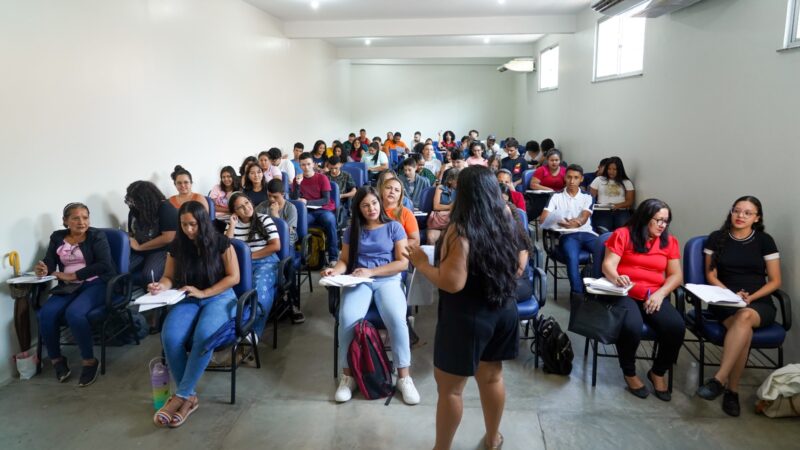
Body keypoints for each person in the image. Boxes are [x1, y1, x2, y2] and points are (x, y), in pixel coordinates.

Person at [405, 166, 525, 450]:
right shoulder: (508, 215)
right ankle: (493, 438)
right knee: (492, 376)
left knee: (450, 390)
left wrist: (422, 263)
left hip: (467, 316)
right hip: (503, 308)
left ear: (464, 193)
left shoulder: (460, 228)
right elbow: (520, 264)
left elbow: (452, 282)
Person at [322, 187, 420, 405]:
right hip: (359, 280)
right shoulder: (352, 230)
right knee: (347, 319)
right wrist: (334, 270)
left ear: (380, 203)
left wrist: (372, 271)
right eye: (365, 205)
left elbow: (402, 263)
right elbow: (345, 261)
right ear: (359, 208)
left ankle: (404, 377)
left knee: (397, 319)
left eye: (374, 203)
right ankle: (348, 376)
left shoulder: (394, 227)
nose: (371, 208)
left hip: (388, 279)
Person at [151, 201, 240, 427]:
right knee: (170, 338)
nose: (189, 229)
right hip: (189, 295)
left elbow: (233, 277)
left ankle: (180, 397)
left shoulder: (221, 242)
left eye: (193, 224)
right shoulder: (178, 245)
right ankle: (189, 396)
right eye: (184, 225)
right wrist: (161, 286)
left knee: (205, 336)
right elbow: (169, 276)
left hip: (219, 296)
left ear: (202, 222)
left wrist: (205, 292)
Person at [696, 196, 781, 417]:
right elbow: (710, 275)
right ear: (731, 212)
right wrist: (732, 295)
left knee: (744, 318)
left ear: (757, 218)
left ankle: (718, 380)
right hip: (724, 299)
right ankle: (731, 391)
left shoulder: (765, 240)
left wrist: (750, 298)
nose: (740, 216)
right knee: (744, 331)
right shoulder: (717, 238)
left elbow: (775, 281)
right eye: (737, 211)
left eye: (747, 213)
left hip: (758, 302)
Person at [602, 198, 685, 401]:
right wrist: (616, 277)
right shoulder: (623, 234)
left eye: (666, 221)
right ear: (645, 218)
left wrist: (660, 294)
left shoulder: (669, 241)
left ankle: (657, 372)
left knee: (676, 327)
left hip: (653, 295)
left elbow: (676, 275)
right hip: (625, 292)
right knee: (632, 326)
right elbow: (608, 264)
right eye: (658, 220)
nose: (662, 225)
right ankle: (629, 372)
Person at [35, 202, 115, 386]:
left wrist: (74, 275)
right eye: (76, 218)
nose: (81, 222)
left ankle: (89, 361)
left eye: (85, 217)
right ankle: (57, 360)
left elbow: (105, 264)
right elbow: (50, 259)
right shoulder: (57, 237)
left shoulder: (97, 236)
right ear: (65, 221)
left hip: (95, 282)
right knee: (46, 314)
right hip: (68, 286)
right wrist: (44, 268)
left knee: (75, 313)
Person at [225, 193, 280, 337]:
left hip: (266, 262)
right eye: (240, 207)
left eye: (247, 203)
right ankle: (230, 331)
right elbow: (226, 248)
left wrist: (248, 257)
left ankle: (252, 334)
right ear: (234, 211)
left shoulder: (264, 219)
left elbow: (275, 246)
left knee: (258, 289)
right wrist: (232, 225)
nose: (246, 208)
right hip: (241, 265)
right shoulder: (233, 224)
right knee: (227, 290)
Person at [539, 165, 598, 295]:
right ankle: (577, 294)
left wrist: (577, 222)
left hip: (587, 233)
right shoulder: (556, 196)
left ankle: (597, 292)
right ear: (565, 178)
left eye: (576, 178)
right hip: (568, 236)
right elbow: (543, 218)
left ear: (581, 179)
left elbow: (583, 217)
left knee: (606, 251)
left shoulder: (587, 196)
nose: (572, 181)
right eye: (569, 177)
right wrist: (559, 222)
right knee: (572, 257)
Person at [126, 181, 177, 289]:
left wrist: (140, 247)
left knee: (148, 276)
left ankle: (156, 299)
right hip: (139, 249)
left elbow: (169, 237)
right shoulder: (134, 210)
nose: (134, 203)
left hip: (161, 250)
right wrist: (128, 238)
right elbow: (131, 231)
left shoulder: (165, 208)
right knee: (119, 270)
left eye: (137, 200)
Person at [292, 152, 339, 264]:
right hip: (307, 212)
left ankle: (333, 257)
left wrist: (307, 201)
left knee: (330, 220)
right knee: (297, 226)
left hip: (323, 209)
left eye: (308, 164)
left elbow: (326, 200)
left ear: (313, 164)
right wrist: (298, 185)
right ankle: (301, 255)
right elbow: (295, 199)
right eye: (303, 165)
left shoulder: (322, 178)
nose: (306, 167)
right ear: (300, 165)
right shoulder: (297, 179)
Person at [590, 156, 635, 231]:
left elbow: (630, 201)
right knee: (603, 230)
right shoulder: (599, 180)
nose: (611, 171)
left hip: (621, 210)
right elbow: (591, 198)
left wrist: (616, 206)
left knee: (623, 230)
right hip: (602, 210)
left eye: (614, 169)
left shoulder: (626, 182)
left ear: (619, 170)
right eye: (609, 169)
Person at [381, 177, 420, 247]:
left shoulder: (406, 213)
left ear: (400, 195)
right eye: (388, 188)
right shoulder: (373, 211)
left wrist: (393, 247)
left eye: (397, 190)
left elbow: (415, 241)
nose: (392, 192)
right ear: (382, 190)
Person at [426, 168, 458, 244]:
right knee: (431, 238)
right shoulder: (440, 188)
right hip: (438, 222)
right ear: (450, 180)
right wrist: (450, 206)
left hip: (451, 223)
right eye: (457, 181)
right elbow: (436, 206)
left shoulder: (460, 191)